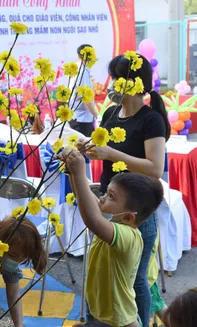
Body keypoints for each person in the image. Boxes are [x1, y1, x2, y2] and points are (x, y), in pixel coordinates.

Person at [78, 53, 171, 327]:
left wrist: (110, 153)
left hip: (135, 209)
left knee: (136, 281)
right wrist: (92, 149)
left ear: (131, 82)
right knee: (107, 273)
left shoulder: (150, 119)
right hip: (109, 204)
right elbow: (105, 152)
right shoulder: (110, 113)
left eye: (116, 79)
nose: (111, 85)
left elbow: (155, 169)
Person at [60, 148, 164, 327]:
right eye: (106, 192)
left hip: (121, 321)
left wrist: (79, 172)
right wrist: (71, 172)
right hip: (104, 314)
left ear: (128, 217)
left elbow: (93, 220)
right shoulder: (114, 221)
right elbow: (84, 198)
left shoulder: (129, 236)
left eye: (111, 197)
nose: (101, 199)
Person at [69, 44, 98, 137]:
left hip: (79, 118)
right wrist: (96, 115)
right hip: (81, 120)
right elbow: (85, 97)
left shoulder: (78, 69)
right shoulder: (82, 71)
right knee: (84, 149)